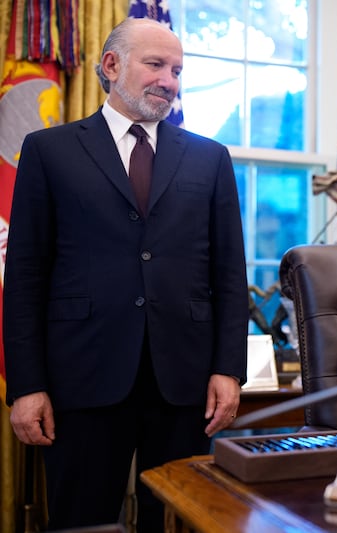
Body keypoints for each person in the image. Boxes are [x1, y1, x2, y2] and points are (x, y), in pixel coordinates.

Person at [3, 18, 249, 531]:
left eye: (178, 70)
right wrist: (27, 385)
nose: (169, 80)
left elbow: (229, 273)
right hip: (81, 381)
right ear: (111, 66)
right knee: (80, 522)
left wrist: (229, 369)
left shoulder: (210, 158)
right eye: (156, 65)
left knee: (181, 521)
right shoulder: (49, 152)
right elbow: (24, 278)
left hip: (184, 384)